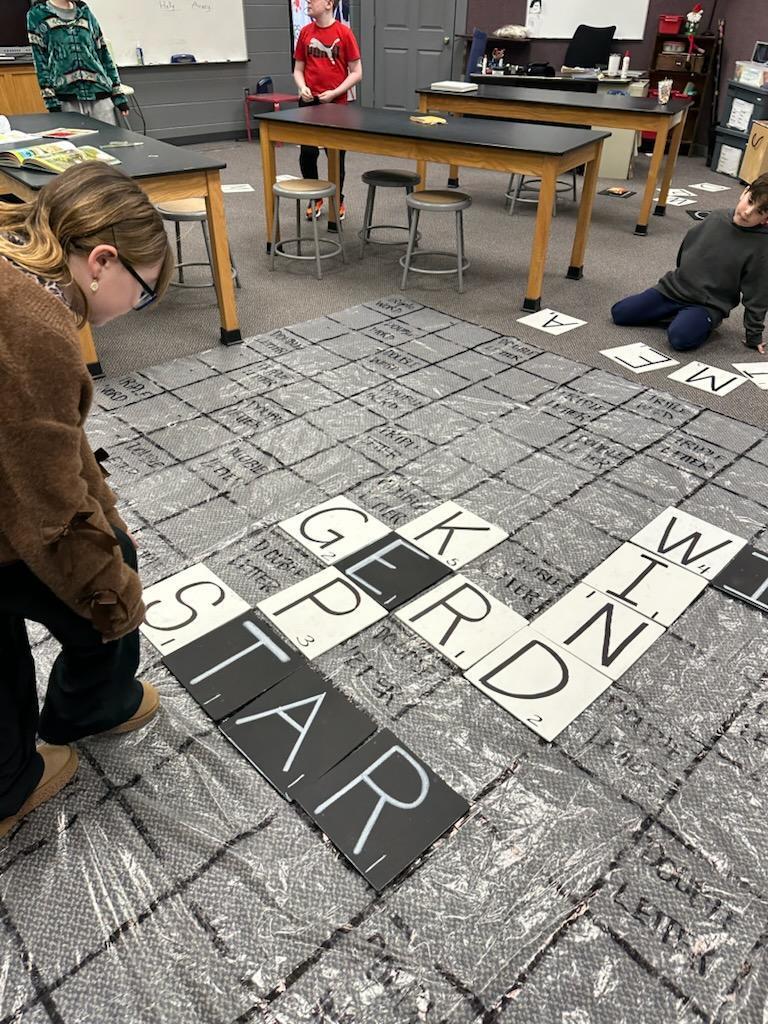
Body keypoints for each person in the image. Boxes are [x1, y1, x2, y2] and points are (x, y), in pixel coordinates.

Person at [0, 162, 173, 838]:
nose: (136, 308)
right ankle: (79, 717)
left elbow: (52, 436)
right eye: (144, 293)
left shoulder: (17, 270)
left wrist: (105, 507)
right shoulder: (34, 329)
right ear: (102, 262)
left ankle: (9, 774)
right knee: (107, 588)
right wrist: (114, 589)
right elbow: (49, 505)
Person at [611, 174, 768, 355]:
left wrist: (754, 335)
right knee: (620, 313)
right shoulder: (716, 217)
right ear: (745, 192)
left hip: (707, 305)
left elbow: (757, 294)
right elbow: (686, 250)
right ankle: (677, 316)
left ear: (766, 218)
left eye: (759, 212)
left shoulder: (762, 246)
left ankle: (696, 321)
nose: (748, 212)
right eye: (750, 201)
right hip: (673, 289)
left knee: (680, 339)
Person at [293, 0, 362, 225]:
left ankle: (337, 199)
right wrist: (302, 87)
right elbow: (298, 69)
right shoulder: (305, 32)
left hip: (335, 104)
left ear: (329, 4)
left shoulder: (344, 33)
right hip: (308, 103)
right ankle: (315, 197)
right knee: (307, 153)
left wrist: (335, 93)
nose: (308, 2)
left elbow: (356, 72)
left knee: (336, 155)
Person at [27, 0, 130, 125]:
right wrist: (51, 102)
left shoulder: (85, 11)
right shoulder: (37, 14)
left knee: (109, 137)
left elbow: (103, 54)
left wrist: (118, 96)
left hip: (100, 94)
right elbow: (40, 61)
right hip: (66, 98)